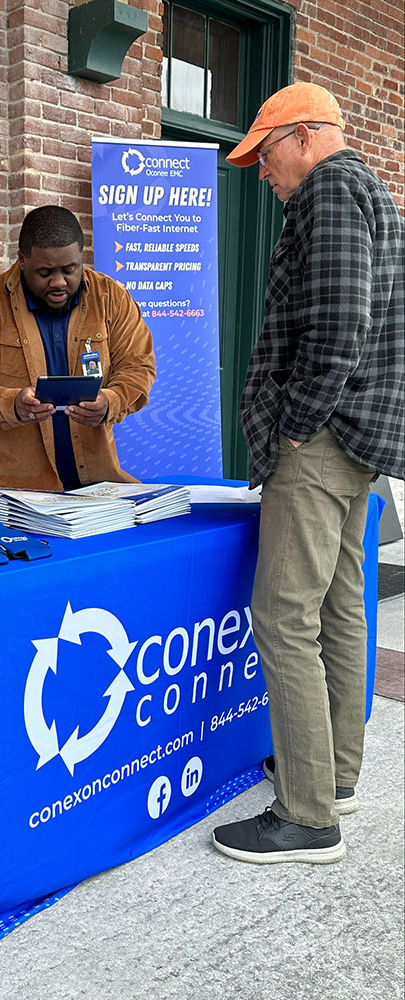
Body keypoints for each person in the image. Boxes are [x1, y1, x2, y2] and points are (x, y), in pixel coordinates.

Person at [212, 82, 404, 864]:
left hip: (321, 443)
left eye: (263, 154)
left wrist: (294, 427)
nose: (261, 172)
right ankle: (334, 775)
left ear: (301, 137)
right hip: (361, 443)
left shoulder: (327, 191)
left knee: (284, 616)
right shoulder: (374, 193)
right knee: (340, 608)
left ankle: (306, 813)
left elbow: (339, 325)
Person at [0, 205, 156, 491]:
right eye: (44, 272)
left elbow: (138, 368)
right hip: (19, 492)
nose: (58, 282)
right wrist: (12, 404)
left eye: (69, 270)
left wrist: (111, 401)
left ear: (81, 258)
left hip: (97, 485)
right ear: (22, 260)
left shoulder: (111, 299)